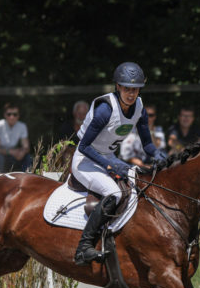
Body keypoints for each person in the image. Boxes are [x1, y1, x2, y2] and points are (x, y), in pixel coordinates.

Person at [71, 62, 167, 265]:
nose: (131, 94)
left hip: (108, 157)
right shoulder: (106, 110)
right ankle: (84, 248)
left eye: (135, 89)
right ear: (118, 87)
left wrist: (160, 156)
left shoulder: (140, 109)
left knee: (141, 184)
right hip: (85, 160)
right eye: (126, 89)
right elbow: (83, 147)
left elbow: (148, 145)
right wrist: (109, 166)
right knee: (113, 193)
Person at [119, 104, 166, 168]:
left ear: (155, 117)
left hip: (152, 165)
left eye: (151, 115)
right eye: (145, 114)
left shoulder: (158, 130)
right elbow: (125, 155)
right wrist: (144, 166)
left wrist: (149, 131)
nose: (148, 118)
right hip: (132, 165)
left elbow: (157, 149)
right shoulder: (131, 130)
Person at [0, 103, 32, 172]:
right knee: (0, 157)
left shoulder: (22, 126)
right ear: (5, 115)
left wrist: (22, 153)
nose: (12, 117)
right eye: (9, 114)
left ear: (18, 116)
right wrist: (11, 152)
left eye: (15, 114)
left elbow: (26, 146)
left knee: (28, 157)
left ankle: (27, 178)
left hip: (11, 155)